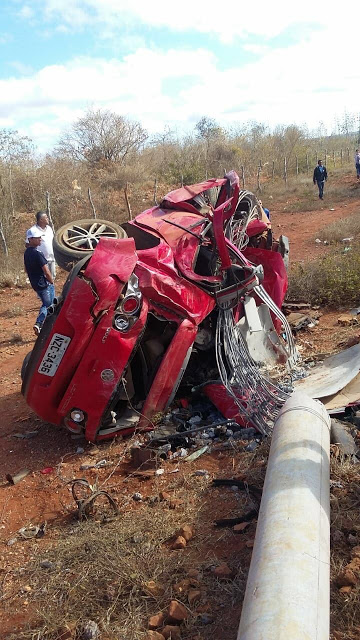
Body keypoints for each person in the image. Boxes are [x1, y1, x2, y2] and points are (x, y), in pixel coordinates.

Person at [24, 228, 55, 336]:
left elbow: (26, 269)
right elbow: (46, 271)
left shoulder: (27, 252)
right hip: (44, 283)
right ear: (31, 239)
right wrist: (51, 282)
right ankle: (40, 323)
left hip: (35, 283)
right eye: (38, 238)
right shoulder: (38, 253)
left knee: (46, 303)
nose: (40, 240)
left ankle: (44, 325)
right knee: (49, 305)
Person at [27, 211, 56, 279]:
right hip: (41, 261)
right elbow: (28, 245)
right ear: (41, 220)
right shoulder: (33, 230)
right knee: (43, 278)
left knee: (52, 277)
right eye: (46, 217)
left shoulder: (49, 228)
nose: (48, 218)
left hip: (51, 258)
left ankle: (51, 289)